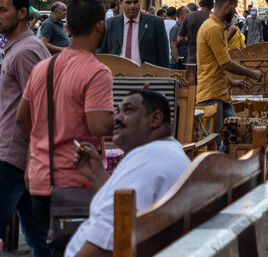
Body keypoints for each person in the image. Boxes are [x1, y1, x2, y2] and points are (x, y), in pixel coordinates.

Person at [17, 0, 115, 255]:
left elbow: (22, 118)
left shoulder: (42, 68)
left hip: (40, 180)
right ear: (100, 25)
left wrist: (41, 141)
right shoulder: (97, 71)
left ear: (68, 28)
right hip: (75, 185)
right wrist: (126, 114)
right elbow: (98, 125)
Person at [64, 90, 190, 257]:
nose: (116, 118)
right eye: (117, 111)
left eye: (128, 110)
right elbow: (123, 207)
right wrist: (97, 175)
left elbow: (107, 239)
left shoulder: (147, 159)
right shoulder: (166, 150)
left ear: (155, 119)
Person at [0, 0, 52, 257]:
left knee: (38, 233)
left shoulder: (25, 52)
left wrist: (35, 153)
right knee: (38, 235)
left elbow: (38, 110)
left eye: (2, 10)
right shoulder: (21, 49)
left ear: (21, 13)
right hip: (18, 154)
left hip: (13, 154)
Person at [195, 0, 263, 135]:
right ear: (227, 5)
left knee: (233, 136)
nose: (235, 11)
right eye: (235, 6)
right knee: (214, 141)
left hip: (220, 94)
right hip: (211, 95)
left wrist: (232, 83)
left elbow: (213, 66)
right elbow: (225, 63)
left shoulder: (216, 27)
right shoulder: (213, 28)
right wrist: (251, 73)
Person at [97, 0, 169, 67]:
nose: (132, 6)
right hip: (117, 76)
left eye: (135, 2)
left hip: (146, 76)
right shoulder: (110, 24)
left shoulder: (155, 23)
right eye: (128, 2)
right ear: (120, 3)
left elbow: (163, 56)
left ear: (140, 2)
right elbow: (101, 54)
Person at [177, 0, 213, 66]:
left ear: (200, 4)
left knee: (192, 77)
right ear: (213, 5)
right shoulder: (215, 17)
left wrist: (189, 43)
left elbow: (180, 39)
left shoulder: (189, 16)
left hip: (193, 59)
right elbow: (233, 29)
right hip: (211, 59)